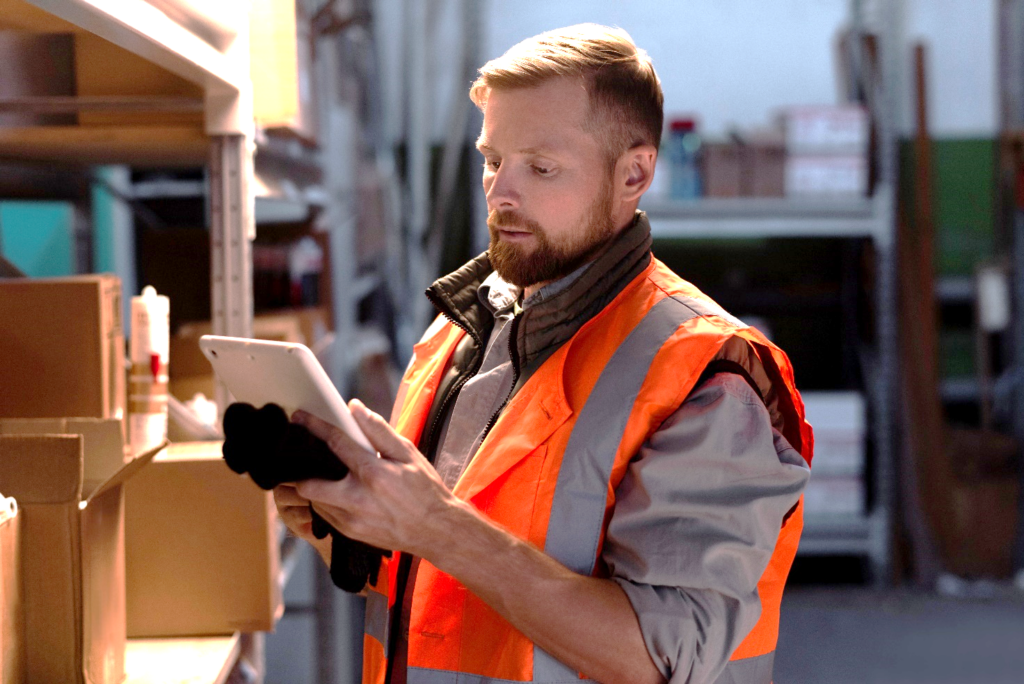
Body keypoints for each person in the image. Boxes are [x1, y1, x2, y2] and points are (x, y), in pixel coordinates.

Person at [274, 24, 812, 684]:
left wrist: (434, 526)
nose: (501, 192)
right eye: (492, 159)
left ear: (634, 173)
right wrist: (352, 526)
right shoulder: (462, 332)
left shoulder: (705, 373)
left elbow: (656, 656)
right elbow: (448, 580)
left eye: (541, 167)